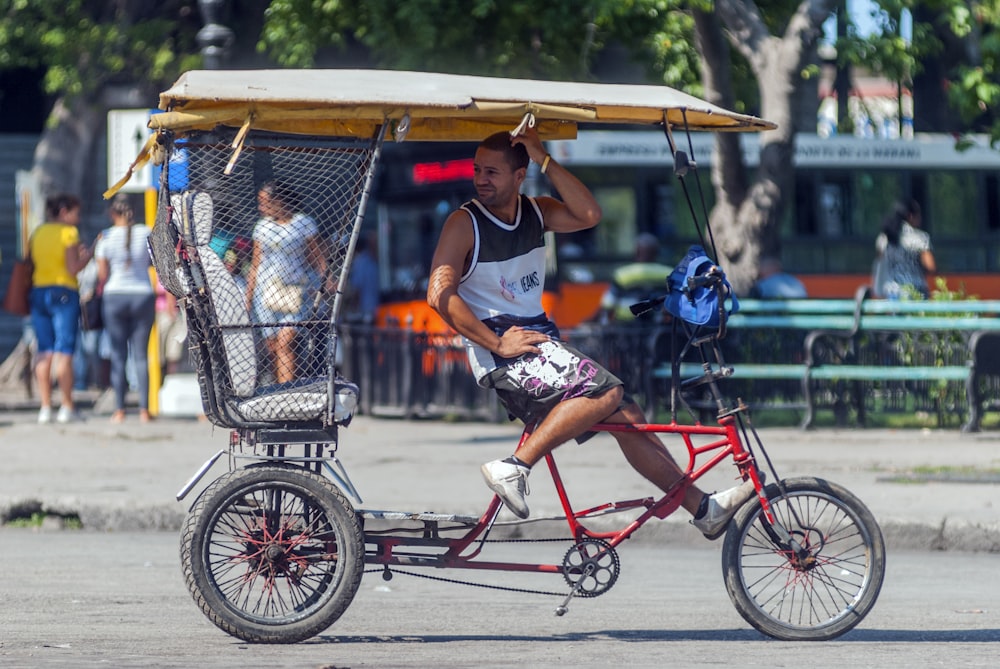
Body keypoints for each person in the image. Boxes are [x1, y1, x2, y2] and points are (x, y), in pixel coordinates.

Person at [426, 128, 756, 537]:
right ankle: (514, 467)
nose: (480, 179)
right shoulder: (465, 222)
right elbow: (439, 294)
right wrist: (496, 343)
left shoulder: (536, 211)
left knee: (628, 414)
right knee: (605, 392)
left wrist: (547, 160)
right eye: (477, 170)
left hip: (538, 342)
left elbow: (588, 215)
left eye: (492, 171)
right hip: (503, 352)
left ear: (519, 175)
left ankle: (702, 508)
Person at [245, 182, 328, 383]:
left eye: (265, 202)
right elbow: (256, 263)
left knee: (286, 342)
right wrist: (248, 296)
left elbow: (316, 256)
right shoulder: (262, 227)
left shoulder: (303, 223)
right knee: (273, 347)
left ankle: (287, 392)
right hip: (265, 293)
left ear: (280, 201)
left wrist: (327, 281)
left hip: (294, 291)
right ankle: (281, 385)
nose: (261, 207)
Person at [29, 193, 93, 424]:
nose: (78, 218)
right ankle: (67, 406)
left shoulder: (38, 232)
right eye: (75, 213)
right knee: (64, 350)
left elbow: (33, 261)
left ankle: (45, 407)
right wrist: (90, 254)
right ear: (64, 212)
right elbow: (73, 268)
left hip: (38, 292)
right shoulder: (69, 233)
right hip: (64, 292)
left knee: (44, 349)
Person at [95, 193, 156, 423]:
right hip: (142, 294)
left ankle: (119, 410)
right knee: (141, 355)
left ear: (112, 213)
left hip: (115, 296)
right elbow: (153, 262)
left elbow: (102, 275)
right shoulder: (146, 232)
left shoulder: (106, 237)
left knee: (119, 356)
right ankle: (144, 410)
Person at [598, 232, 673, 323]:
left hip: (627, 327)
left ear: (636, 251)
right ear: (657, 252)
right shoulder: (669, 273)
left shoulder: (623, 274)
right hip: (660, 326)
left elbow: (608, 304)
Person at [873, 200, 936, 299]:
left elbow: (880, 261)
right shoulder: (920, 238)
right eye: (918, 215)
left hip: (893, 292)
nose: (920, 218)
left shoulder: (884, 238)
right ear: (910, 216)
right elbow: (931, 266)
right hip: (916, 291)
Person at [346, 233, 380, 323]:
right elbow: (357, 287)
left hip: (381, 307)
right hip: (366, 310)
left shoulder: (380, 260)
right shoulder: (361, 262)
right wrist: (354, 307)